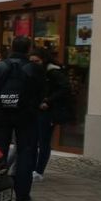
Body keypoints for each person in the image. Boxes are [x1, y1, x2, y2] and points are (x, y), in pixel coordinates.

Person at [0, 36, 45, 201]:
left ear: (11, 47)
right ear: (28, 49)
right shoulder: (34, 68)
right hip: (26, 114)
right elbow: (41, 92)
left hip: (1, 114)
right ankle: (22, 193)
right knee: (26, 151)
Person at [30, 47, 72, 181]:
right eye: (31, 61)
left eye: (36, 61)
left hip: (48, 111)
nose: (34, 64)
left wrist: (48, 100)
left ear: (43, 60)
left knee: (44, 141)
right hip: (37, 109)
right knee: (33, 140)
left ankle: (39, 170)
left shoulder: (53, 71)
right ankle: (32, 168)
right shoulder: (37, 71)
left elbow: (65, 88)